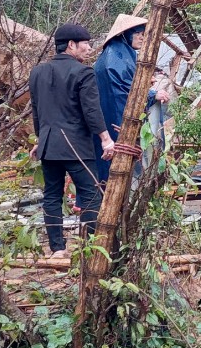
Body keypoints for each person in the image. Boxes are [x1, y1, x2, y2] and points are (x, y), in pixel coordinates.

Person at [29, 23, 113, 256]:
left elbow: (37, 111)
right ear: (71, 45)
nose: (89, 48)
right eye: (85, 44)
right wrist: (105, 139)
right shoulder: (83, 73)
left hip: (48, 146)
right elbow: (92, 111)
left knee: (52, 196)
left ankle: (57, 249)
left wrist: (40, 140)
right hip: (77, 147)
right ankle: (88, 249)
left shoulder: (37, 72)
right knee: (91, 193)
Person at [94, 14, 171, 182]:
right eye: (138, 33)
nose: (142, 38)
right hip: (116, 121)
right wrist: (151, 94)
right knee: (122, 168)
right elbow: (123, 88)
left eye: (144, 34)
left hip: (108, 119)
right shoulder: (116, 56)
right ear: (125, 34)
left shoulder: (117, 52)